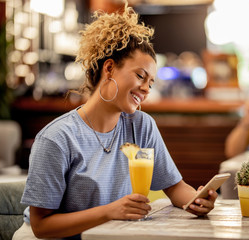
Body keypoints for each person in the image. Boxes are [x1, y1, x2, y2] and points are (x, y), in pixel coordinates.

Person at [14, 5, 217, 240]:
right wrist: (110, 212)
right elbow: (42, 227)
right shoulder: (57, 138)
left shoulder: (141, 126)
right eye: (140, 76)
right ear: (109, 68)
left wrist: (195, 201)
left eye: (150, 83)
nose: (146, 89)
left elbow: (174, 187)